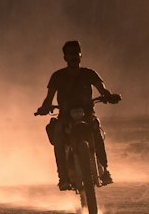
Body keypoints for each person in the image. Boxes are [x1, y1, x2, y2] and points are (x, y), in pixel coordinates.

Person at [35, 40, 120, 190]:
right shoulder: (57, 76)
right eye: (70, 54)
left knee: (97, 131)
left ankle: (105, 170)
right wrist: (44, 107)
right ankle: (63, 177)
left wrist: (109, 96)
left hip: (87, 113)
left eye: (76, 53)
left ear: (81, 55)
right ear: (65, 57)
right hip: (65, 116)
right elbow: (49, 97)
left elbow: (102, 89)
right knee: (59, 135)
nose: (74, 56)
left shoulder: (89, 73)